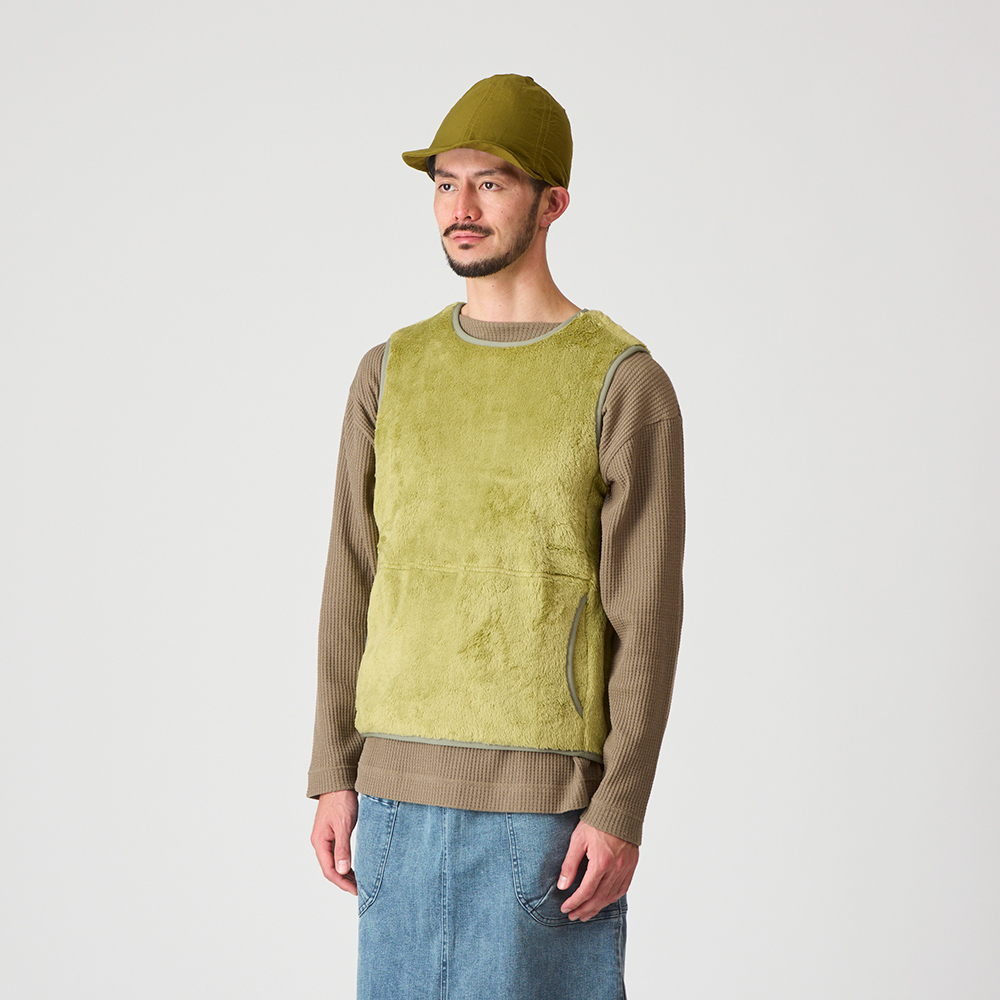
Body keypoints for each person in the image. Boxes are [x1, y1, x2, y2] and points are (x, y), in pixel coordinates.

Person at [308, 74, 685, 1000]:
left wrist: (622, 803)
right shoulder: (390, 371)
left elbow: (646, 615)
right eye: (446, 183)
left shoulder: (621, 382)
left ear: (553, 203)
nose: (461, 208)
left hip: (546, 814)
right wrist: (332, 770)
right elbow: (352, 574)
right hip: (392, 800)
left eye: (492, 183)